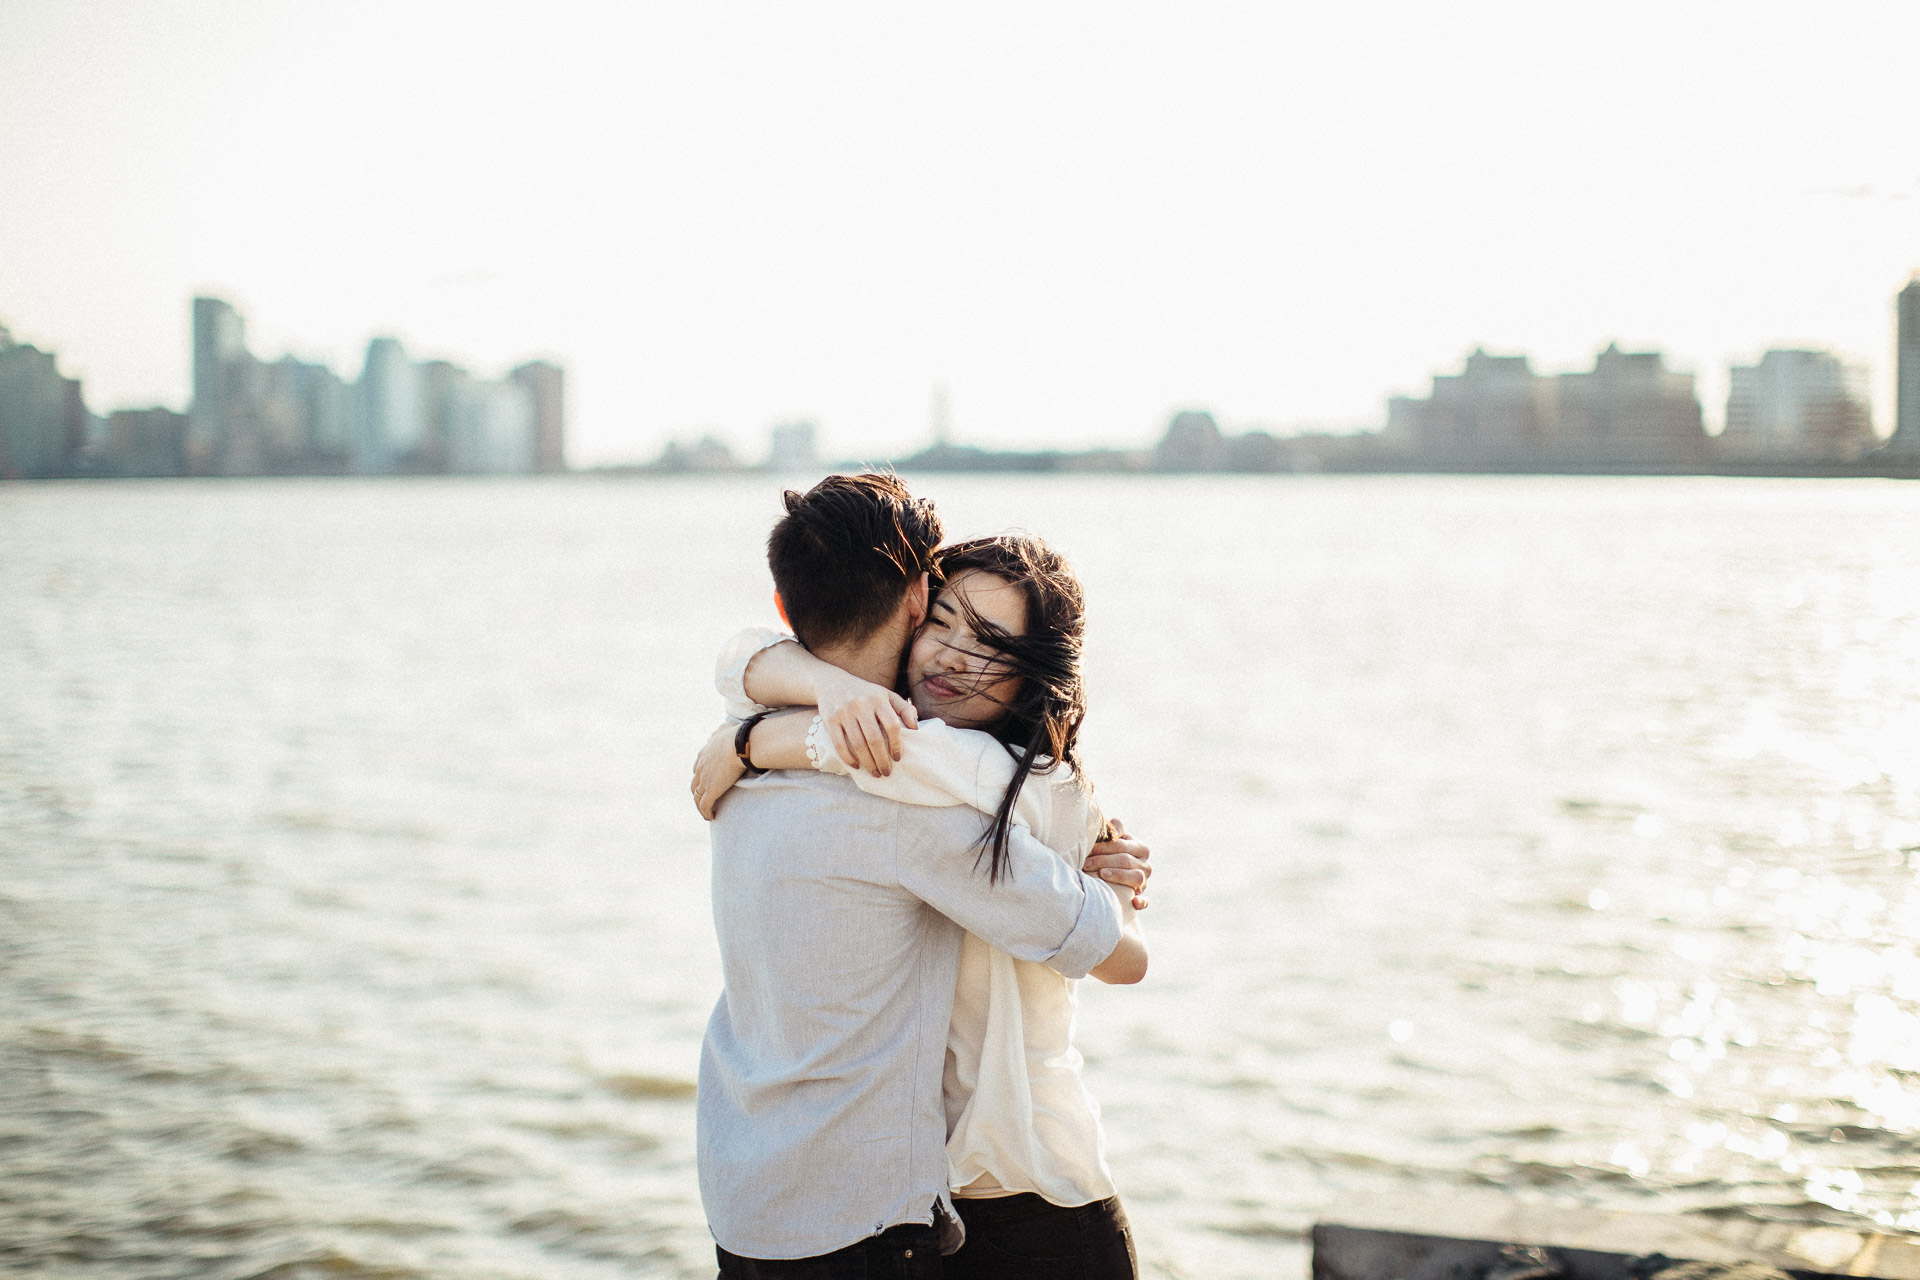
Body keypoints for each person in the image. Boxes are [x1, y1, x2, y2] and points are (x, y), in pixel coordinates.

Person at [692, 474, 1150, 1280]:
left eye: (994, 644)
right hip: (940, 1202)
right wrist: (803, 708)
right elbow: (749, 665)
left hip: (1036, 1189)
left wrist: (748, 742)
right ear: (913, 607)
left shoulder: (970, 776)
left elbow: (1120, 955)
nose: (954, 655)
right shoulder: (905, 759)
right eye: (943, 619)